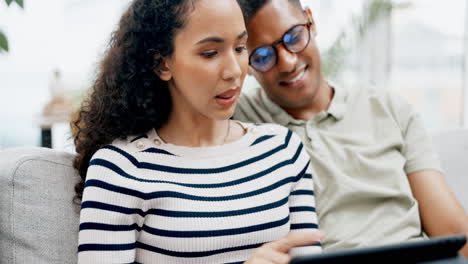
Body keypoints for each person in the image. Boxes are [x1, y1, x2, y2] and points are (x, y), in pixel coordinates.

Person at [72, 0, 323, 263]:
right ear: (162, 64)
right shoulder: (121, 169)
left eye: (239, 48)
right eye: (210, 53)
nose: (235, 71)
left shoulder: (283, 149)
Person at [234, 0, 468, 257]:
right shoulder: (236, 123)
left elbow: (452, 231)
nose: (288, 62)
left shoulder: (388, 108)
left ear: (311, 22)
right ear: (245, 63)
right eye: (264, 56)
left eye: (294, 36)